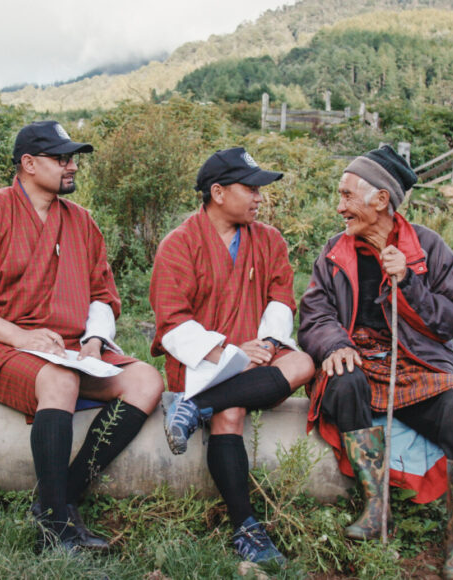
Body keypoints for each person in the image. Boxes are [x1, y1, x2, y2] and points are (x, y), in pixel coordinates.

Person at [0, 121, 164, 551]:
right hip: (0, 346)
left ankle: (59, 500)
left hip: (69, 348)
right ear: (28, 163)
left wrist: (94, 341)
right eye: (61, 159)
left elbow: (101, 294)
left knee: (146, 380)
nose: (71, 166)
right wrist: (20, 338)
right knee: (60, 379)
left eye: (72, 158)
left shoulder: (81, 221)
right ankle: (55, 531)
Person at [298, 146, 453, 580]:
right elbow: (314, 314)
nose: (340, 206)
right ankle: (376, 507)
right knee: (343, 378)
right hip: (359, 357)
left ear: (381, 200)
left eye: (347, 195)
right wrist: (334, 345)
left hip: (415, 361)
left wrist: (410, 281)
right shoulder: (334, 251)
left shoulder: (428, 248)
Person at [149, 147, 315, 565]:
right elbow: (171, 321)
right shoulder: (179, 244)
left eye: (260, 189)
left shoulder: (269, 239)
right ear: (218, 192)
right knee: (232, 411)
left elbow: (281, 297)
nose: (259, 197)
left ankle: (193, 408)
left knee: (302, 362)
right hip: (203, 361)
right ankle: (245, 527)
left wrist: (269, 344)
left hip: (258, 353)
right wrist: (226, 351)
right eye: (251, 188)